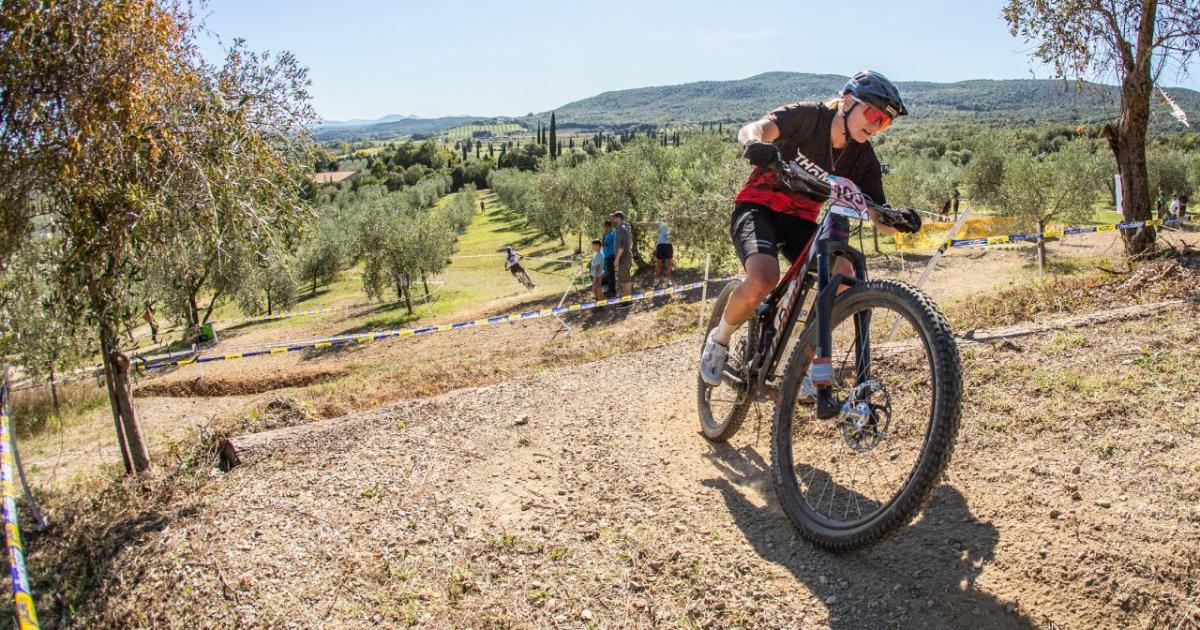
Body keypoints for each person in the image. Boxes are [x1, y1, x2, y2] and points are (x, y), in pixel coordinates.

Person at [698, 70, 909, 389]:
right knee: (763, 278)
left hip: (802, 221)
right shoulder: (809, 116)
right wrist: (755, 143)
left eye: (885, 123)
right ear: (848, 101)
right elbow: (752, 129)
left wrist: (899, 222)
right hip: (759, 207)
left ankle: (804, 361)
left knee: (841, 277)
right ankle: (720, 339)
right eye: (873, 115)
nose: (877, 126)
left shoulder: (862, 156)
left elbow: (878, 212)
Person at [635, 218, 674, 288]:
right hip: (660, 245)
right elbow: (650, 224)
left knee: (669, 264)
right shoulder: (661, 223)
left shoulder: (673, 223)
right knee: (659, 264)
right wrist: (639, 224)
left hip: (669, 245)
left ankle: (669, 279)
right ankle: (656, 279)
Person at [611, 211, 633, 305]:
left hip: (623, 258)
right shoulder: (623, 227)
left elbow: (622, 245)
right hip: (624, 258)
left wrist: (617, 258)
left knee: (626, 280)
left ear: (618, 218)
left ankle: (628, 301)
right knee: (624, 280)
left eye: (614, 217)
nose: (613, 219)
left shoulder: (622, 228)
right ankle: (626, 300)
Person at [601, 220, 617, 297]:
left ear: (608, 226)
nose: (604, 228)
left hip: (611, 255)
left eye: (605, 227)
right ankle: (609, 289)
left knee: (611, 273)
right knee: (608, 273)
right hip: (607, 255)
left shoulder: (611, 234)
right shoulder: (609, 233)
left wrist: (604, 235)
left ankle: (612, 290)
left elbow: (604, 244)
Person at [588, 239, 605, 303]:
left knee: (596, 289)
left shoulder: (599, 255)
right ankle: (602, 300)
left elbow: (597, 267)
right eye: (592, 246)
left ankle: (599, 303)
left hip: (597, 275)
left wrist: (595, 279)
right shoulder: (597, 253)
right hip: (596, 274)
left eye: (593, 246)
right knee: (597, 289)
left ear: (598, 246)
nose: (592, 247)